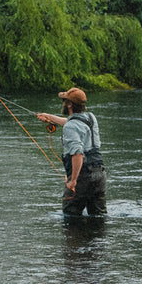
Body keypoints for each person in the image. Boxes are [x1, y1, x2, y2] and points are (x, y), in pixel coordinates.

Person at [36, 87, 107, 219]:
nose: (62, 103)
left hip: (82, 176)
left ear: (69, 104)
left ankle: (74, 239)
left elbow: (78, 154)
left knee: (71, 218)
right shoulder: (91, 118)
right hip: (99, 174)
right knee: (98, 217)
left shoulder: (71, 126)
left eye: (64, 101)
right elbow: (71, 122)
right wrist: (50, 117)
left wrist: (73, 181)